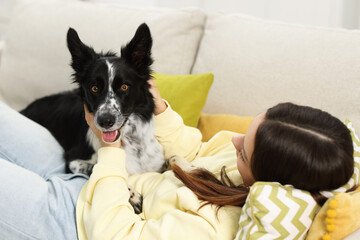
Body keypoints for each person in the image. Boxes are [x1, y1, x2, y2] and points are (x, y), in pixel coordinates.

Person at [0, 79, 354, 240]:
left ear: (262, 180)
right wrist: (160, 108)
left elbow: (116, 233)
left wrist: (110, 148)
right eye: (245, 132)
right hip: (86, 178)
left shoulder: (214, 228)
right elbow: (196, 152)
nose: (233, 141)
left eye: (244, 150)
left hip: (70, 222)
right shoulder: (239, 161)